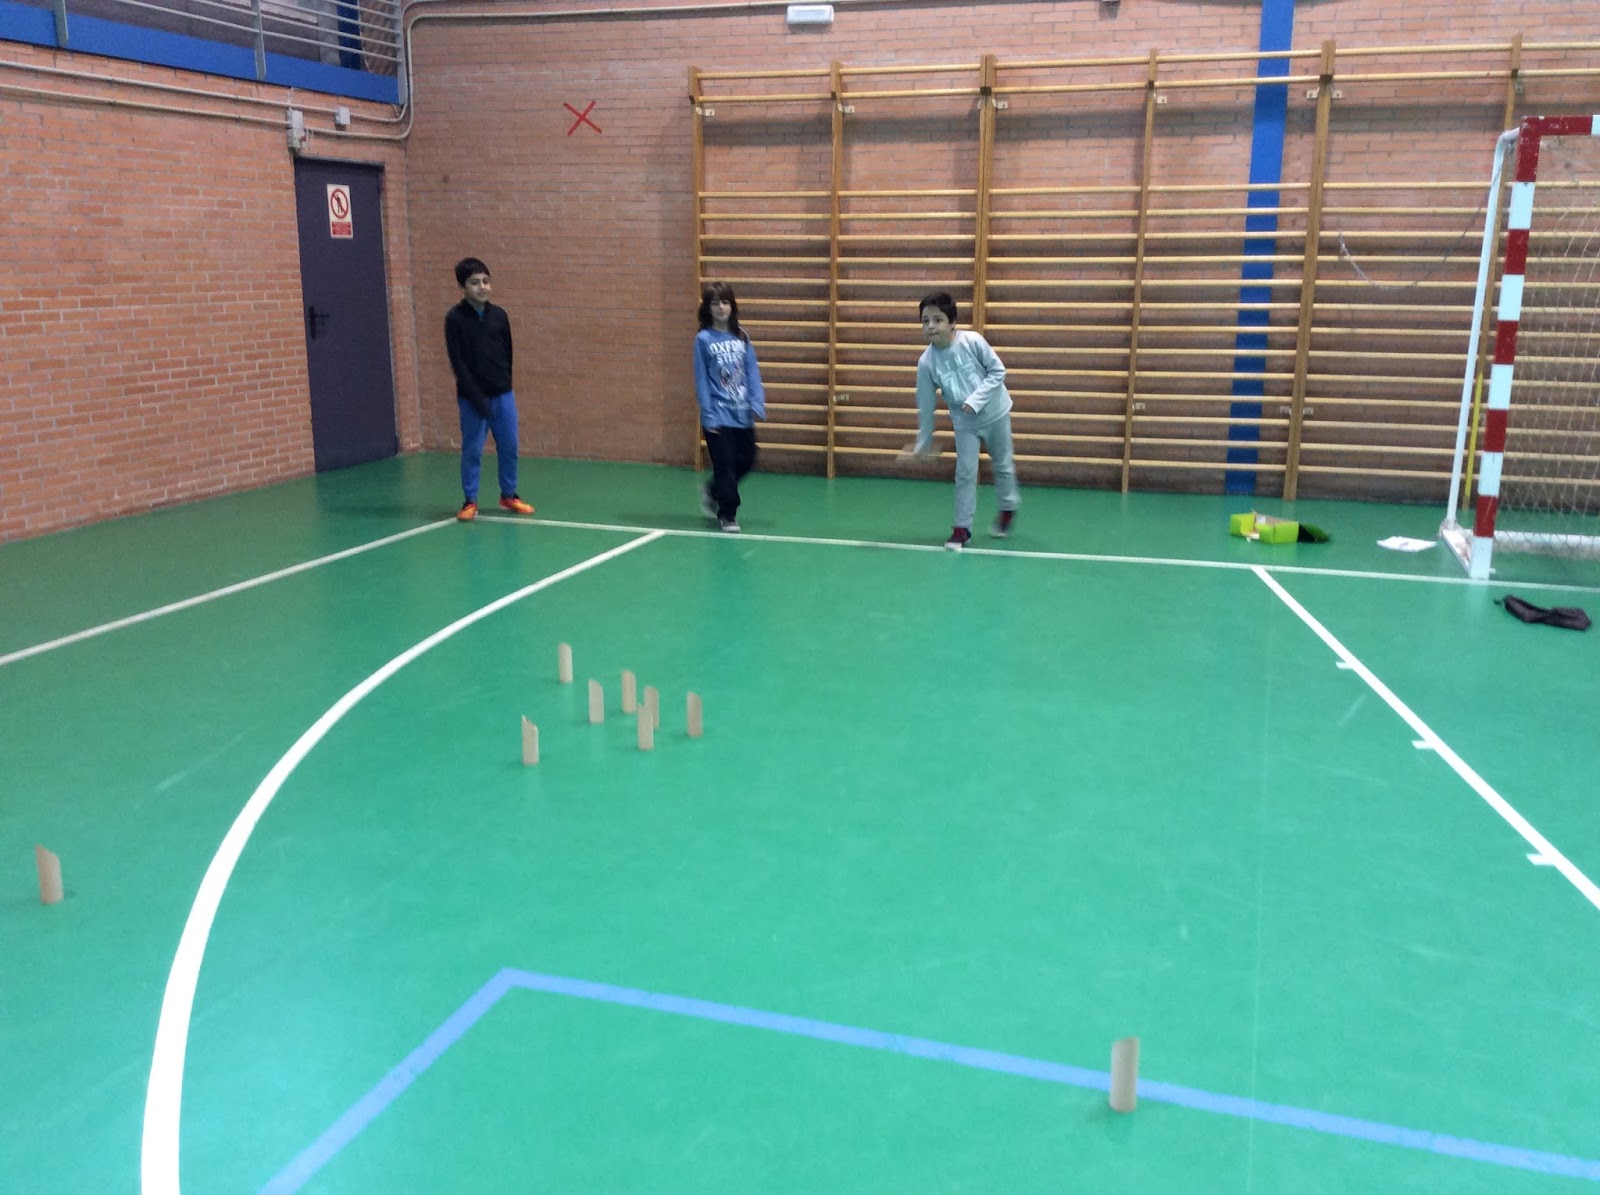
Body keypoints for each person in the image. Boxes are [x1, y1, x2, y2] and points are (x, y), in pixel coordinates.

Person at [900, 291, 1020, 550]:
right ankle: (962, 528)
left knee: (1003, 465)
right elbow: (926, 404)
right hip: (965, 423)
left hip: (996, 413)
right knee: (965, 472)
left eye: (938, 320)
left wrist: (975, 400)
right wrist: (924, 440)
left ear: (952, 322)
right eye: (925, 321)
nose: (931, 326)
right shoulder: (926, 363)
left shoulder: (972, 341)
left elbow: (998, 371)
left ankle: (1008, 507)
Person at [444, 257, 534, 522]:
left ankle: (509, 495)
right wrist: (477, 397)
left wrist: (504, 383)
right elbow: (458, 363)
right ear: (463, 287)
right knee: (473, 450)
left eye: (485, 281)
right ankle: (470, 500)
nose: (482, 287)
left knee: (509, 446)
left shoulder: (499, 316)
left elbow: (508, 353)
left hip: (503, 395)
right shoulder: (455, 319)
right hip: (472, 399)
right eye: (475, 283)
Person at [694, 281, 765, 533]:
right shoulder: (703, 340)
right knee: (724, 465)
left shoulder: (741, 337)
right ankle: (728, 513)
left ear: (732, 306)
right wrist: (708, 414)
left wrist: (757, 401)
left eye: (725, 302)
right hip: (718, 415)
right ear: (708, 308)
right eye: (715, 303)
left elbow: (751, 370)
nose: (720, 308)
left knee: (747, 459)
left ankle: (712, 490)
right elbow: (701, 379)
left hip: (741, 413)